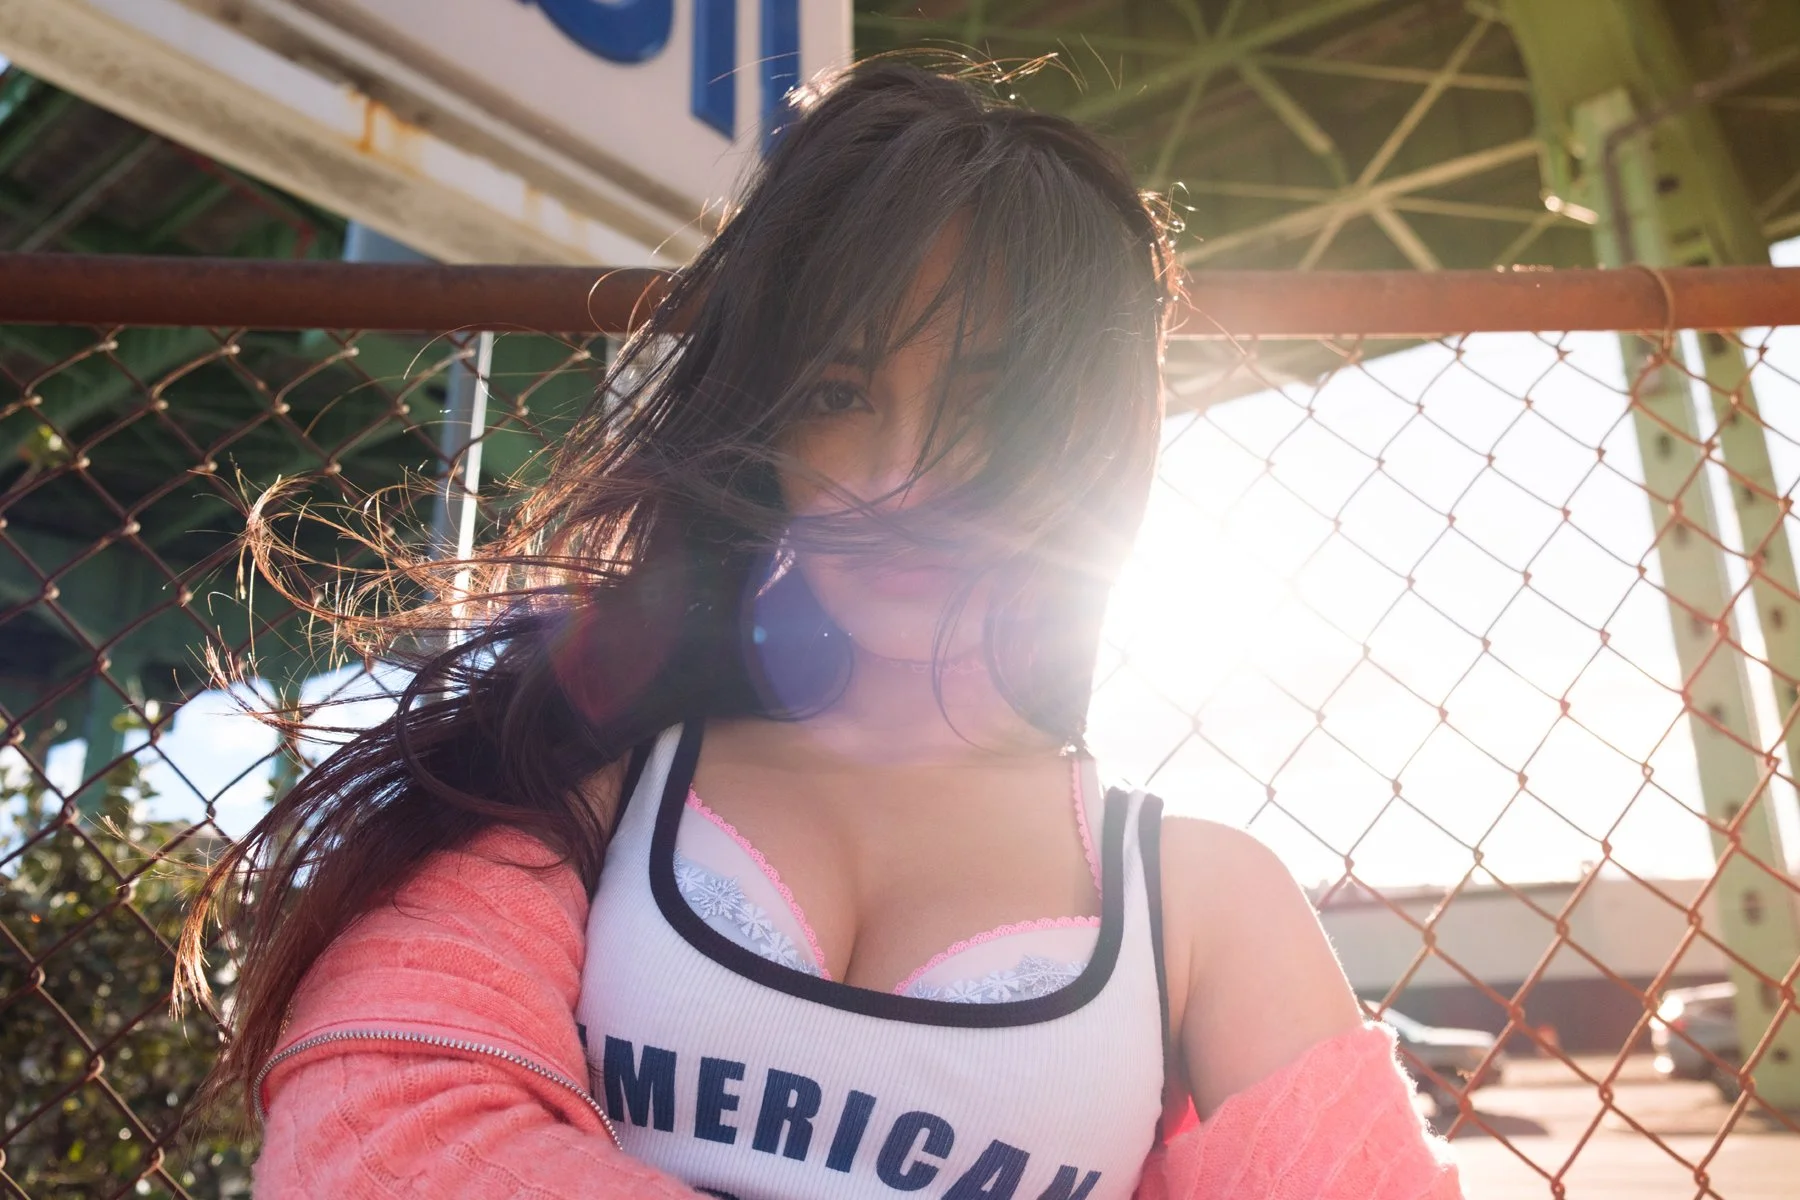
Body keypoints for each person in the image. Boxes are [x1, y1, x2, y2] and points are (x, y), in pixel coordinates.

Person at [179, 62, 1463, 1199]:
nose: (905, 476)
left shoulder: (1200, 899)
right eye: (841, 391)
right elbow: (379, 1145)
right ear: (762, 426)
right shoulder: (582, 774)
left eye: (990, 398)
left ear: (1092, 433)